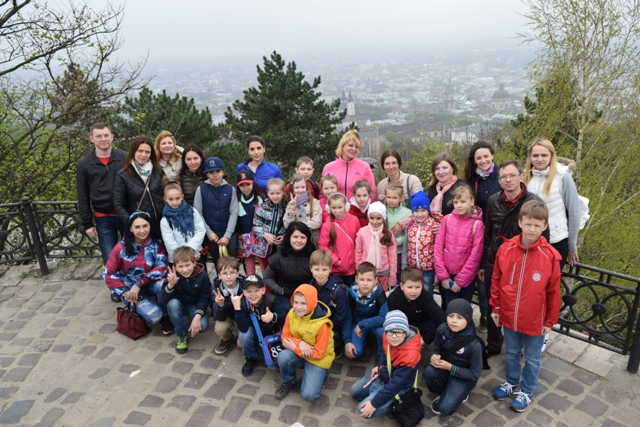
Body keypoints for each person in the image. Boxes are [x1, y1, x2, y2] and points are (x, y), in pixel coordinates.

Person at [491, 200, 561, 412]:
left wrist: (549, 320)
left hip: (535, 319)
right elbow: (496, 280)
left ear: (544, 226)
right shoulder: (506, 249)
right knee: (511, 352)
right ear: (520, 222)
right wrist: (496, 307)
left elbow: (553, 292)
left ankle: (527, 390)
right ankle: (511, 381)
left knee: (532, 357)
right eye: (528, 224)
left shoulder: (549, 256)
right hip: (509, 314)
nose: (532, 229)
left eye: (537, 225)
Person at [480, 160, 549, 358]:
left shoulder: (533, 202)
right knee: (493, 303)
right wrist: (484, 262)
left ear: (521, 176)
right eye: (503, 177)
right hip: (495, 259)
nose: (508, 180)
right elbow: (488, 232)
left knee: (520, 304)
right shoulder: (493, 200)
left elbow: (544, 237)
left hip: (522, 262)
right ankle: (494, 344)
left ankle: (517, 346)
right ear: (499, 180)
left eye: (512, 175)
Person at [76, 123, 126, 301]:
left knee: (132, 252)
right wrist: (87, 223)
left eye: (106, 135)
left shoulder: (124, 157)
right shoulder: (85, 164)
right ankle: (115, 288)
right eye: (99, 136)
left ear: (112, 136)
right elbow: (82, 195)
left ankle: (132, 285)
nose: (103, 139)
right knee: (109, 255)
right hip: (103, 217)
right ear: (91, 139)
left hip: (126, 214)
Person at [103, 211, 172, 332]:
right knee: (155, 315)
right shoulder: (120, 248)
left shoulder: (157, 243)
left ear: (150, 226)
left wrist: (139, 283)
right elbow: (109, 274)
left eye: (145, 226)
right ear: (130, 228)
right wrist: (125, 292)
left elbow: (161, 267)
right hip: (130, 290)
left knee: (168, 285)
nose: (142, 230)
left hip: (149, 283)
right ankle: (139, 306)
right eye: (137, 227)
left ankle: (164, 312)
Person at [350, 310, 421, 419]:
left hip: (398, 386)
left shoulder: (410, 356)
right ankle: (377, 395)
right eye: (390, 331)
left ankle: (393, 405)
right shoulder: (386, 336)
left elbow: (396, 384)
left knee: (362, 409)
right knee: (354, 391)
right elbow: (384, 356)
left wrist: (374, 404)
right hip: (385, 375)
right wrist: (379, 367)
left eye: (398, 332)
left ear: (405, 333)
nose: (394, 336)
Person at [523, 138, 581, 267]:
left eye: (544, 155)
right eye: (535, 155)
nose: (539, 159)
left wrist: (572, 245)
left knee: (551, 279)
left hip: (556, 241)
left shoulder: (563, 176)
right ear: (530, 157)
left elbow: (574, 212)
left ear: (551, 156)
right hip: (530, 241)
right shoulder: (526, 176)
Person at [463, 141, 502, 333]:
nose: (483, 160)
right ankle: (482, 315)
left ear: (492, 155)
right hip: (476, 233)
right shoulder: (472, 180)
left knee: (494, 277)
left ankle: (494, 315)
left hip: (498, 233)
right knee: (480, 276)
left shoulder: (501, 176)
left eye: (486, 156)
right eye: (478, 158)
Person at [275, 284, 335, 401]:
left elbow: (319, 354)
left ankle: (323, 372)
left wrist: (294, 347)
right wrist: (300, 342)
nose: (298, 307)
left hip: (317, 360)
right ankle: (288, 381)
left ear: (312, 302)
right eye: (295, 302)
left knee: (309, 395)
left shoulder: (323, 325)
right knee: (283, 356)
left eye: (303, 303)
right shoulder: (291, 313)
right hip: (302, 353)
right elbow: (285, 337)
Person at [423, 299, 483, 416]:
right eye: (450, 316)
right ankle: (447, 391)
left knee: (445, 409)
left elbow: (475, 375)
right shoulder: (442, 329)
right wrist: (435, 356)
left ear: (468, 319)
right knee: (428, 372)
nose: (454, 321)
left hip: (464, 376)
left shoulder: (474, 344)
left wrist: (451, 368)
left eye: (460, 317)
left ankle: (460, 393)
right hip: (445, 367)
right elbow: (436, 348)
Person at [434, 185, 484, 309]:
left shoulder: (477, 225)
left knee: (462, 309)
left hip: (466, 278)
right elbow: (438, 248)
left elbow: (475, 256)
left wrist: (460, 281)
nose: (459, 205)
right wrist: (443, 276)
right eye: (456, 202)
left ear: (471, 201)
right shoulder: (447, 219)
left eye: (463, 201)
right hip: (447, 275)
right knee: (448, 308)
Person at [231, 274, 287, 377]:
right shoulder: (242, 303)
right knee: (244, 335)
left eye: (256, 290)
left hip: (272, 334)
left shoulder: (272, 299)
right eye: (248, 291)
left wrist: (273, 317)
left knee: (273, 366)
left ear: (263, 290)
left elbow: (284, 317)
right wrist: (237, 308)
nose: (253, 294)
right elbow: (243, 328)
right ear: (243, 292)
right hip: (257, 334)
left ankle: (278, 355)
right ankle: (251, 358)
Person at [159, 246, 211, 354]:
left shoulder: (202, 275)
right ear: (175, 266)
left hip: (194, 305)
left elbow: (204, 298)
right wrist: (170, 285)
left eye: (187, 265)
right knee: (172, 304)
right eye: (180, 266)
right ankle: (181, 333)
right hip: (179, 305)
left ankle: (193, 317)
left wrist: (197, 316)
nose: (185, 269)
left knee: (203, 326)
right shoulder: (172, 276)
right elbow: (163, 300)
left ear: (194, 263)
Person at [113, 136, 165, 233]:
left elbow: (167, 192)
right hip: (142, 228)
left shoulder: (158, 170)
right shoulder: (123, 175)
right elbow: (119, 205)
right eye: (140, 151)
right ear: (133, 151)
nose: (143, 155)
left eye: (147, 152)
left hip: (164, 224)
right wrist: (132, 222)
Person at [193, 157, 238, 268]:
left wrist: (227, 235)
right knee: (218, 264)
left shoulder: (230, 189)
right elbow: (198, 213)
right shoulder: (201, 189)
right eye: (211, 172)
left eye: (218, 171)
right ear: (207, 174)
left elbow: (233, 213)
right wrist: (209, 233)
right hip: (212, 235)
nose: (215, 175)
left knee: (232, 264)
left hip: (229, 234)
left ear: (223, 172)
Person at [386, 266, 446, 346]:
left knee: (441, 327)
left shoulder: (426, 298)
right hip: (400, 327)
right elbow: (388, 321)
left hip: (421, 326)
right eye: (410, 287)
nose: (414, 291)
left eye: (417, 287)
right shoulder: (393, 298)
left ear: (422, 285)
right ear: (402, 286)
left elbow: (442, 320)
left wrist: (424, 340)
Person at [264, 222, 316, 310]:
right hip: (285, 296)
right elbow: (267, 277)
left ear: (307, 239)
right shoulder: (278, 258)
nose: (299, 240)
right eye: (295, 237)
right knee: (289, 311)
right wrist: (280, 290)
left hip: (307, 295)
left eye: (302, 237)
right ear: (289, 238)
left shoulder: (313, 256)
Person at [343, 262, 389, 359]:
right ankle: (364, 340)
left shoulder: (380, 294)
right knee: (354, 353)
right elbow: (347, 318)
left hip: (374, 324)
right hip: (356, 325)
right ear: (356, 279)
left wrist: (362, 324)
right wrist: (347, 341)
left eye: (369, 280)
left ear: (376, 280)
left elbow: (384, 317)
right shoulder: (350, 294)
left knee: (383, 331)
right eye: (361, 279)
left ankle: (382, 357)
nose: (365, 283)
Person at [309, 249, 349, 358]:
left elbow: (341, 317)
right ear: (311, 268)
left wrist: (321, 327)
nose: (320, 273)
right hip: (315, 323)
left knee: (333, 337)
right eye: (317, 269)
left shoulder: (338, 290)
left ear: (330, 269)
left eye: (324, 269)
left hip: (333, 327)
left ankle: (337, 345)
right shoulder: (310, 285)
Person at [402, 191, 441, 295]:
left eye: (423, 210)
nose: (420, 214)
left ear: (428, 210)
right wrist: (404, 266)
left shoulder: (434, 226)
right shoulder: (410, 225)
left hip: (429, 270)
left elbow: (438, 250)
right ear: (412, 211)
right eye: (416, 211)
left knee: (427, 294)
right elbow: (406, 248)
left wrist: (438, 272)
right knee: (413, 293)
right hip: (413, 269)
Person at [160, 178, 206, 264]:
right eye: (171, 199)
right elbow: (169, 241)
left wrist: (190, 249)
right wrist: (184, 255)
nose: (174, 202)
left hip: (195, 254)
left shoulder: (192, 212)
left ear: (182, 196)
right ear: (165, 198)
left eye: (177, 198)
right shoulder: (165, 220)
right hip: (178, 259)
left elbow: (200, 230)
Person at [322, 129, 376, 202]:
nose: (353, 149)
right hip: (335, 208)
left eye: (357, 147)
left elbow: (372, 193)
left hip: (358, 209)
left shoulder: (364, 167)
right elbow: (322, 192)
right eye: (350, 145)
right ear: (342, 146)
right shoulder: (329, 167)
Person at [318, 192, 360, 286]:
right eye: (334, 208)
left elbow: (358, 241)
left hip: (352, 268)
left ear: (346, 206)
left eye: (340, 207)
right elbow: (322, 246)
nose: (337, 211)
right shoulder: (327, 225)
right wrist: (336, 261)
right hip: (336, 270)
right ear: (329, 208)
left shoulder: (354, 220)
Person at [355, 202, 397, 291]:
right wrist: (358, 268)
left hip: (383, 271)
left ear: (383, 218)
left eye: (378, 218)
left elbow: (393, 257)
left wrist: (392, 278)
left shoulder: (388, 234)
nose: (375, 221)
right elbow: (358, 252)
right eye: (372, 218)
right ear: (368, 217)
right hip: (365, 271)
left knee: (381, 295)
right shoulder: (362, 232)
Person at [211, 256, 246, 355]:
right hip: (227, 316)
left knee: (246, 342)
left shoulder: (245, 285)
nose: (229, 276)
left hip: (243, 316)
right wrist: (221, 305)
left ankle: (243, 336)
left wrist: (242, 335)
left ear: (237, 274)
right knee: (220, 328)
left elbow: (249, 310)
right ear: (219, 276)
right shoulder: (215, 289)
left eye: (232, 272)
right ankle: (227, 338)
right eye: (225, 273)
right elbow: (219, 317)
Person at [252, 177, 287, 273]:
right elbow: (255, 225)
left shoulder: (287, 207)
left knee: (280, 271)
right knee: (266, 271)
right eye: (272, 193)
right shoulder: (263, 207)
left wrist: (284, 236)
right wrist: (264, 234)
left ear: (283, 192)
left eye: (278, 193)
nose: (275, 196)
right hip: (264, 246)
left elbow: (289, 225)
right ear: (267, 193)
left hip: (280, 246)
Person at [235, 169, 265, 276]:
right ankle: (251, 281)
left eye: (248, 184)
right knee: (249, 263)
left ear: (253, 183)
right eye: (242, 185)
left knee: (262, 261)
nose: (245, 188)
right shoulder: (236, 199)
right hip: (244, 237)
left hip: (259, 236)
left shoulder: (260, 199)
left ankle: (266, 283)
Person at [385, 183, 412, 286]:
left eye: (394, 198)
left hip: (399, 252)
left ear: (401, 198)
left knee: (399, 277)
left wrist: (397, 241)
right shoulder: (382, 211)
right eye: (388, 197)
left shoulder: (407, 213)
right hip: (385, 251)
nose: (391, 200)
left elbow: (409, 233)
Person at [283, 174, 322, 242]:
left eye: (303, 187)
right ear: (292, 189)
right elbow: (286, 225)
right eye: (297, 188)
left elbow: (316, 223)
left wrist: (297, 228)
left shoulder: (315, 202)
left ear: (306, 188)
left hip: (311, 239)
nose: (300, 190)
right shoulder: (290, 204)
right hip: (296, 241)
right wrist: (291, 210)